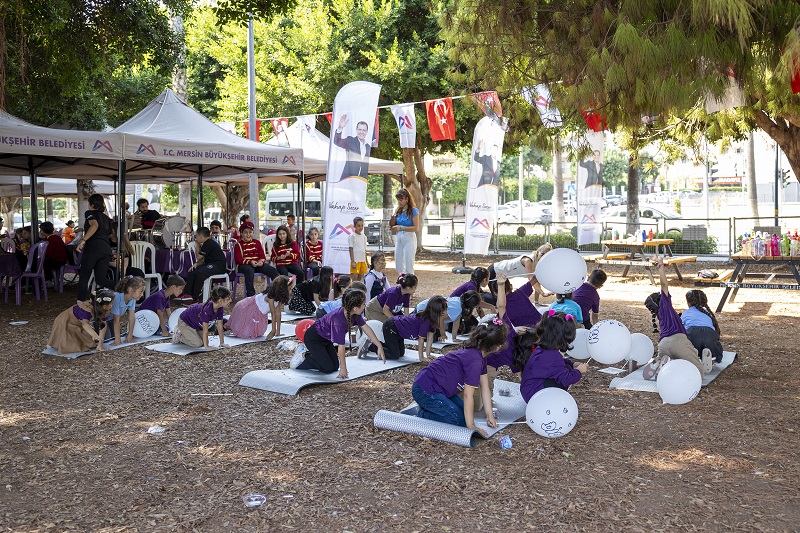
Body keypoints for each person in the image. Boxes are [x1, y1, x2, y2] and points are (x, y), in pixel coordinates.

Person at [411, 319, 508, 436]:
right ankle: (419, 413)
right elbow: (468, 395)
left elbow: (485, 387)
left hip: (440, 390)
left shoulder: (479, 356)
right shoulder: (475, 361)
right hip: (424, 389)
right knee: (457, 420)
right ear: (497, 346)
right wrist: (471, 426)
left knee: (465, 413)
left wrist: (489, 415)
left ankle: (431, 407)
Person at [643, 255, 712, 379]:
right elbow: (664, 284)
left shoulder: (660, 316)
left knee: (689, 352)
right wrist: (660, 265)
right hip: (678, 341)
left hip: (663, 345)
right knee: (698, 372)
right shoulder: (665, 305)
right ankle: (673, 364)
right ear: (660, 300)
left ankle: (663, 365)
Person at [291, 289, 385, 378]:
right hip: (314, 339)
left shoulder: (355, 314)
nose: (365, 306)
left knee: (334, 366)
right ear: (355, 308)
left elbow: (367, 328)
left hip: (326, 340)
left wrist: (379, 345)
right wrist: (344, 369)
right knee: (327, 368)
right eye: (364, 304)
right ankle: (304, 356)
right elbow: (341, 347)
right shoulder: (338, 320)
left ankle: (315, 355)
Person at [518, 310, 587, 402]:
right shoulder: (552, 356)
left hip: (529, 390)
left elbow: (558, 364)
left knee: (567, 367)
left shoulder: (544, 349)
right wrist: (579, 371)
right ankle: (551, 403)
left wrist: (572, 363)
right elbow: (566, 379)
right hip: (535, 396)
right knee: (565, 375)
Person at [360, 295, 447, 361]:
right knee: (394, 355)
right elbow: (421, 340)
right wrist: (421, 357)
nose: (444, 313)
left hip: (399, 332)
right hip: (391, 327)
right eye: (443, 311)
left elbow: (430, 337)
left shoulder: (432, 320)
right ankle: (371, 345)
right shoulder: (426, 320)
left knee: (400, 353)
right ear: (436, 311)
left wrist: (428, 354)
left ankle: (376, 344)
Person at [47, 289, 114, 354]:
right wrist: (94, 334)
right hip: (67, 320)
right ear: (105, 306)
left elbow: (103, 325)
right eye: (112, 303)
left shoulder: (105, 309)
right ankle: (56, 343)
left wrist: (100, 345)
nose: (113, 305)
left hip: (78, 323)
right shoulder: (87, 309)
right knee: (69, 345)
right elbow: (85, 324)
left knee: (89, 344)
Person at [76, 193, 116, 301]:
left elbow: (94, 225)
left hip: (93, 248)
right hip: (106, 250)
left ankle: (80, 303)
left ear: (91, 204)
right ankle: (123, 288)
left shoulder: (90, 213)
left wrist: (83, 240)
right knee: (101, 279)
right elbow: (111, 234)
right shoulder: (107, 218)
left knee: (84, 277)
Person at [228, 275, 293, 339]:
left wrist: (277, 331)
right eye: (289, 289)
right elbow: (273, 314)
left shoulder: (279, 297)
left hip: (258, 311)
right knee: (245, 331)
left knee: (258, 332)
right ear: (282, 289)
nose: (290, 291)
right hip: (247, 308)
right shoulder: (270, 297)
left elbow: (278, 313)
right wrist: (273, 330)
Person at [487, 243, 552, 304]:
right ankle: (482, 297)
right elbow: (532, 280)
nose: (543, 257)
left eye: (546, 255)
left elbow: (536, 280)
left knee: (508, 299)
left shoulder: (538, 264)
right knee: (498, 300)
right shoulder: (528, 260)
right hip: (495, 271)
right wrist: (543, 293)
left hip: (504, 277)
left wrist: (536, 302)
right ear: (538, 252)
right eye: (542, 254)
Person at [416, 291, 482, 341]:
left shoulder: (460, 303)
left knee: (435, 334)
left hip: (428, 311)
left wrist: (454, 338)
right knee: (434, 337)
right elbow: (440, 318)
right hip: (422, 312)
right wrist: (443, 334)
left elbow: (456, 322)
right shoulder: (457, 308)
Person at [233, 224, 278, 297]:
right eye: (245, 232)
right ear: (241, 233)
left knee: (272, 270)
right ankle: (251, 295)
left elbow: (262, 256)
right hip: (244, 266)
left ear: (253, 233)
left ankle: (276, 291)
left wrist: (261, 261)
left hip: (257, 264)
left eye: (250, 232)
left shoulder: (257, 242)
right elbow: (238, 260)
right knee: (249, 270)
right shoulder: (238, 245)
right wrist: (250, 262)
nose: (248, 234)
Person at [185, 227, 228, 302]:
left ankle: (195, 297)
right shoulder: (206, 243)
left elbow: (198, 256)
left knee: (201, 273)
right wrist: (196, 264)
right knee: (193, 271)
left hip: (218, 265)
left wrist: (197, 246)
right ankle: (188, 294)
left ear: (201, 236)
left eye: (196, 236)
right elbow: (203, 259)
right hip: (210, 264)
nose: (196, 238)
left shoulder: (209, 243)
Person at [682, 289, 724, 364]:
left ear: (688, 303)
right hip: (709, 335)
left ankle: (695, 356)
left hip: (692, 335)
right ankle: (711, 358)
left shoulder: (685, 313)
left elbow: (681, 329)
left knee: (689, 346)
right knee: (716, 350)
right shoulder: (708, 313)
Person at [110, 276, 146, 345]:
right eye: (140, 292)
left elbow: (132, 318)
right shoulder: (117, 297)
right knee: (106, 339)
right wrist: (117, 339)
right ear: (130, 290)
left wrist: (130, 335)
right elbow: (116, 320)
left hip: (112, 321)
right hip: (104, 320)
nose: (142, 295)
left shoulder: (132, 299)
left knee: (115, 336)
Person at [390, 188, 419, 275]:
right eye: (398, 200)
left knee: (408, 263)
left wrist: (401, 228)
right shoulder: (398, 211)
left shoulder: (413, 210)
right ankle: (401, 280)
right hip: (399, 238)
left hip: (409, 237)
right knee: (398, 262)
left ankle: (410, 283)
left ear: (407, 199)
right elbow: (392, 224)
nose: (399, 202)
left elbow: (416, 228)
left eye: (401, 199)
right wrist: (393, 217)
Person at [333, 114, 371, 180]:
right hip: (348, 179)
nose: (361, 132)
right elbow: (337, 141)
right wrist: (340, 127)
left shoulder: (368, 147)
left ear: (367, 132)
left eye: (364, 130)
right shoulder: (350, 140)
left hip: (362, 181)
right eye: (359, 129)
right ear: (356, 130)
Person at [348, 216, 368, 281]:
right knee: (355, 278)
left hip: (362, 260)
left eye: (362, 225)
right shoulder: (352, 236)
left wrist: (366, 261)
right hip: (356, 261)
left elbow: (364, 250)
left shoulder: (364, 237)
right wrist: (353, 261)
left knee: (360, 278)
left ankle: (359, 290)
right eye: (358, 225)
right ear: (354, 226)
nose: (360, 227)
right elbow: (351, 249)